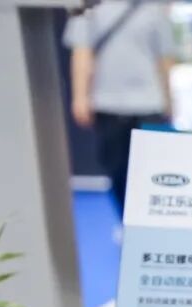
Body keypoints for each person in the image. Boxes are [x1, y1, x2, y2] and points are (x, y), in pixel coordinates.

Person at [65, 1, 176, 217]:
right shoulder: (88, 8)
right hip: (107, 103)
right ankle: (125, 219)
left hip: (148, 104)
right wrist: (80, 97)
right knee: (116, 170)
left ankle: (149, 220)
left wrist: (169, 100)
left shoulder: (153, 8)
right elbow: (81, 53)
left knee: (154, 172)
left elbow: (164, 59)